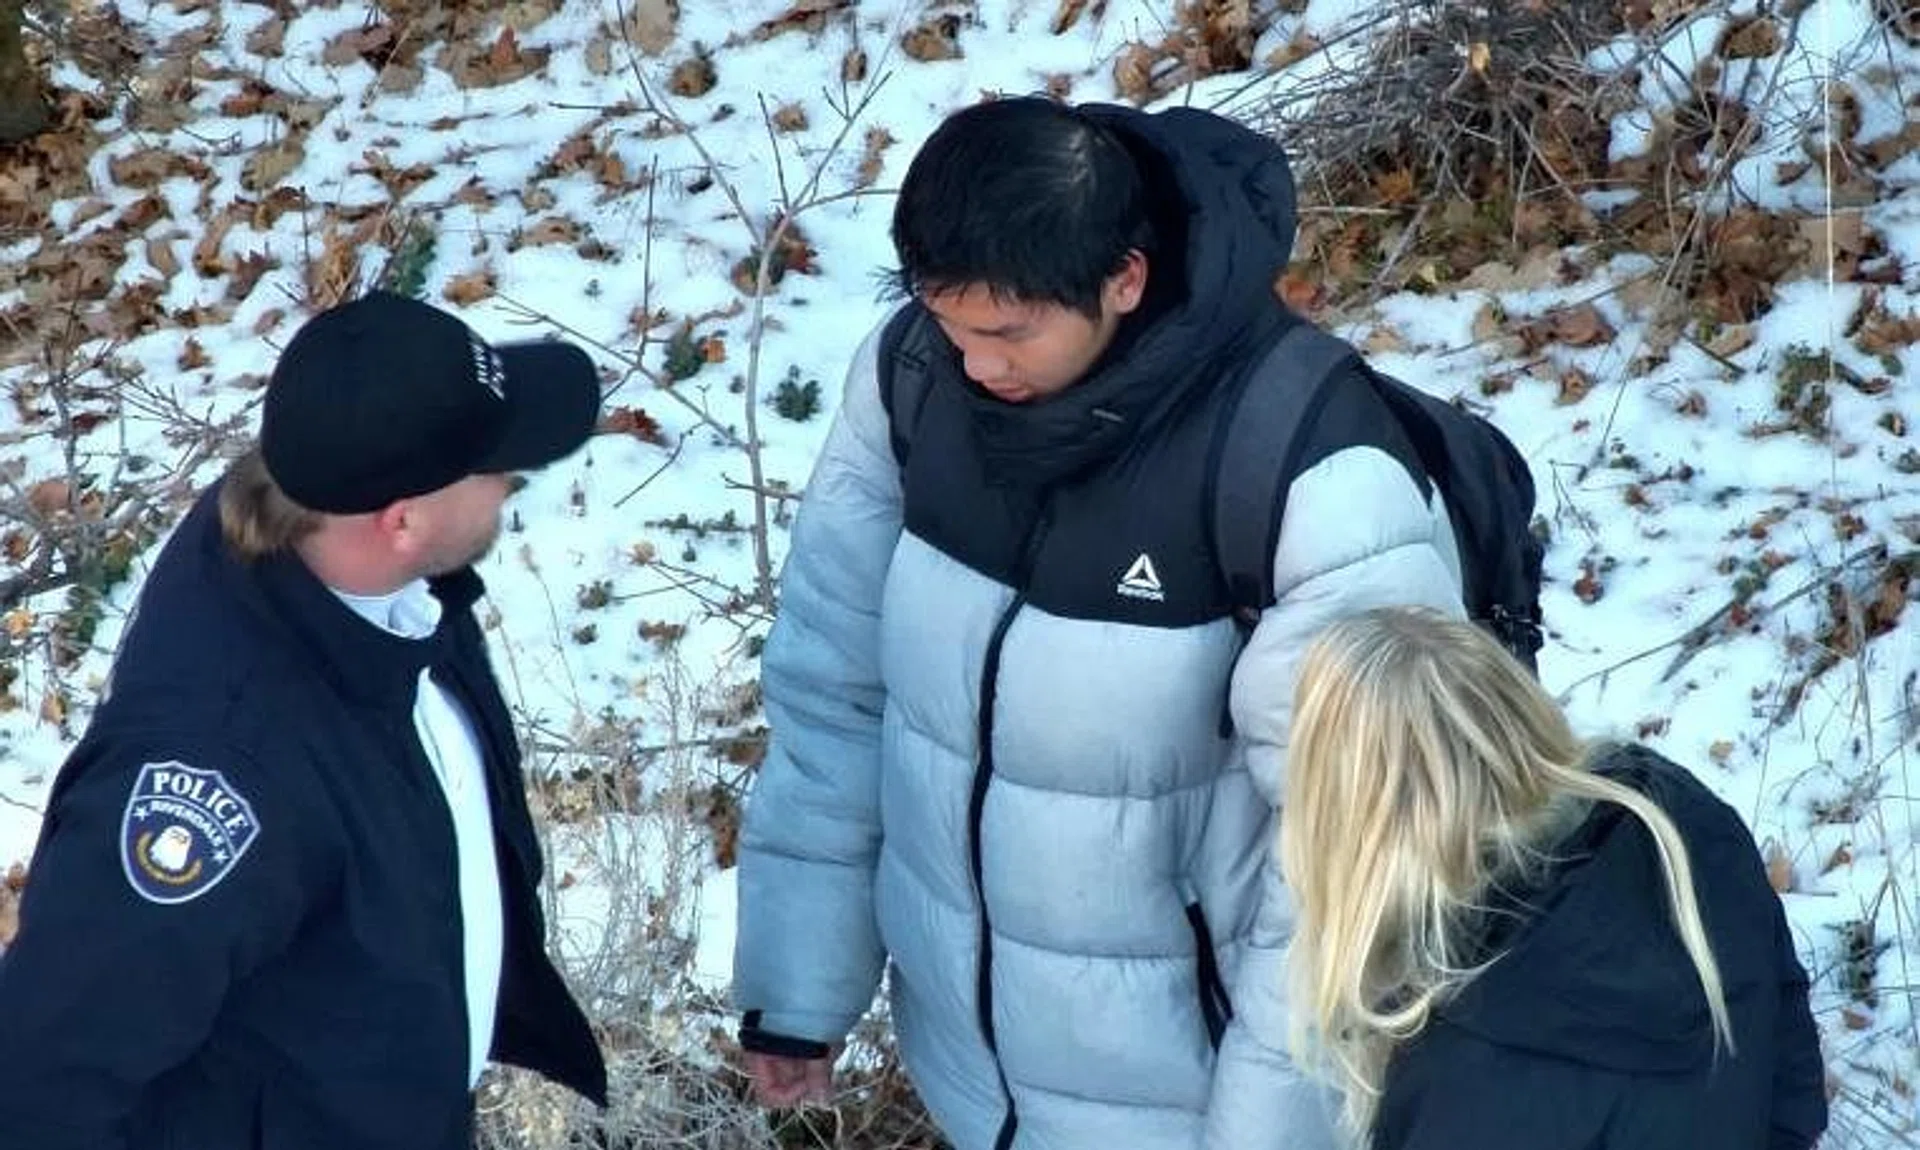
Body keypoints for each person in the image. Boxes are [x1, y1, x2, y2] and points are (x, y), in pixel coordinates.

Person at [732, 96, 1472, 1150]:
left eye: (1007, 333)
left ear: (1123, 279)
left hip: (1200, 1106)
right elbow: (833, 688)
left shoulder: (1309, 465)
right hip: (978, 1087)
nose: (974, 363)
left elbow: (1353, 873)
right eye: (949, 322)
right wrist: (799, 982)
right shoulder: (909, 382)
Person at [0, 291, 609, 1148]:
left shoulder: (363, 566)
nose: (513, 480)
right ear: (402, 520)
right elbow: (39, 1081)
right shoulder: (223, 772)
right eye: (498, 467)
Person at [1279, 606, 1828, 1149]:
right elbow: (1793, 1085)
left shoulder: (1454, 1076)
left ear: (1344, 820)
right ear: (1517, 711)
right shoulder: (1682, 831)